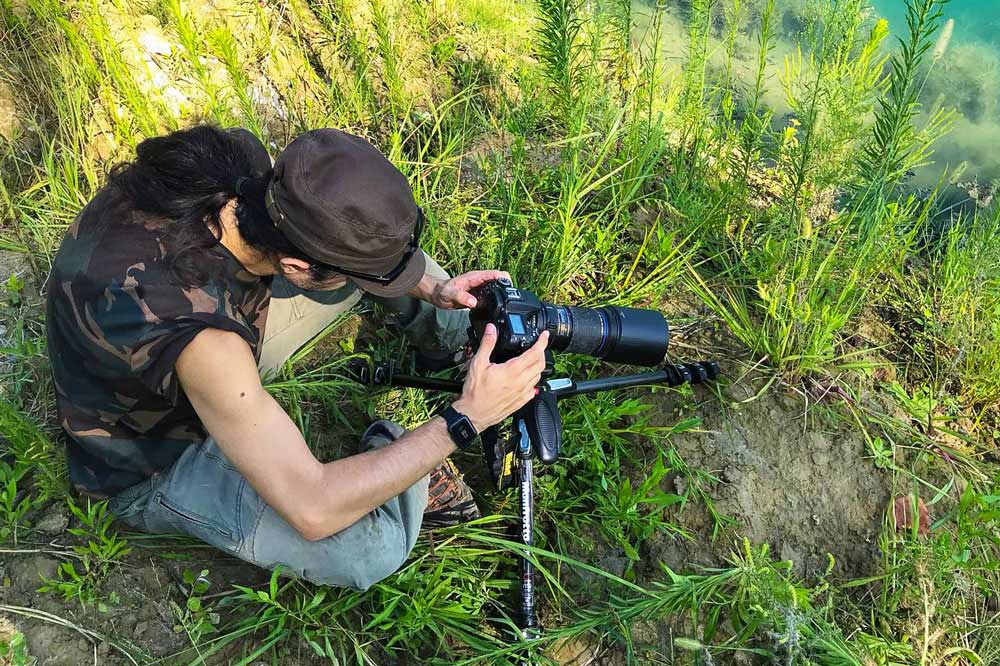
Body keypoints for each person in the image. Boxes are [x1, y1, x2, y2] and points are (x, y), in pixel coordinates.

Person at [45, 125, 548, 590]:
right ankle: (398, 458)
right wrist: (462, 421)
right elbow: (312, 506)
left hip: (197, 323)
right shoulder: (206, 344)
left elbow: (354, 255)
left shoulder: (239, 168)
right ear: (293, 265)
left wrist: (433, 288)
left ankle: (467, 348)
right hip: (147, 453)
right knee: (366, 552)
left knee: (380, 260)